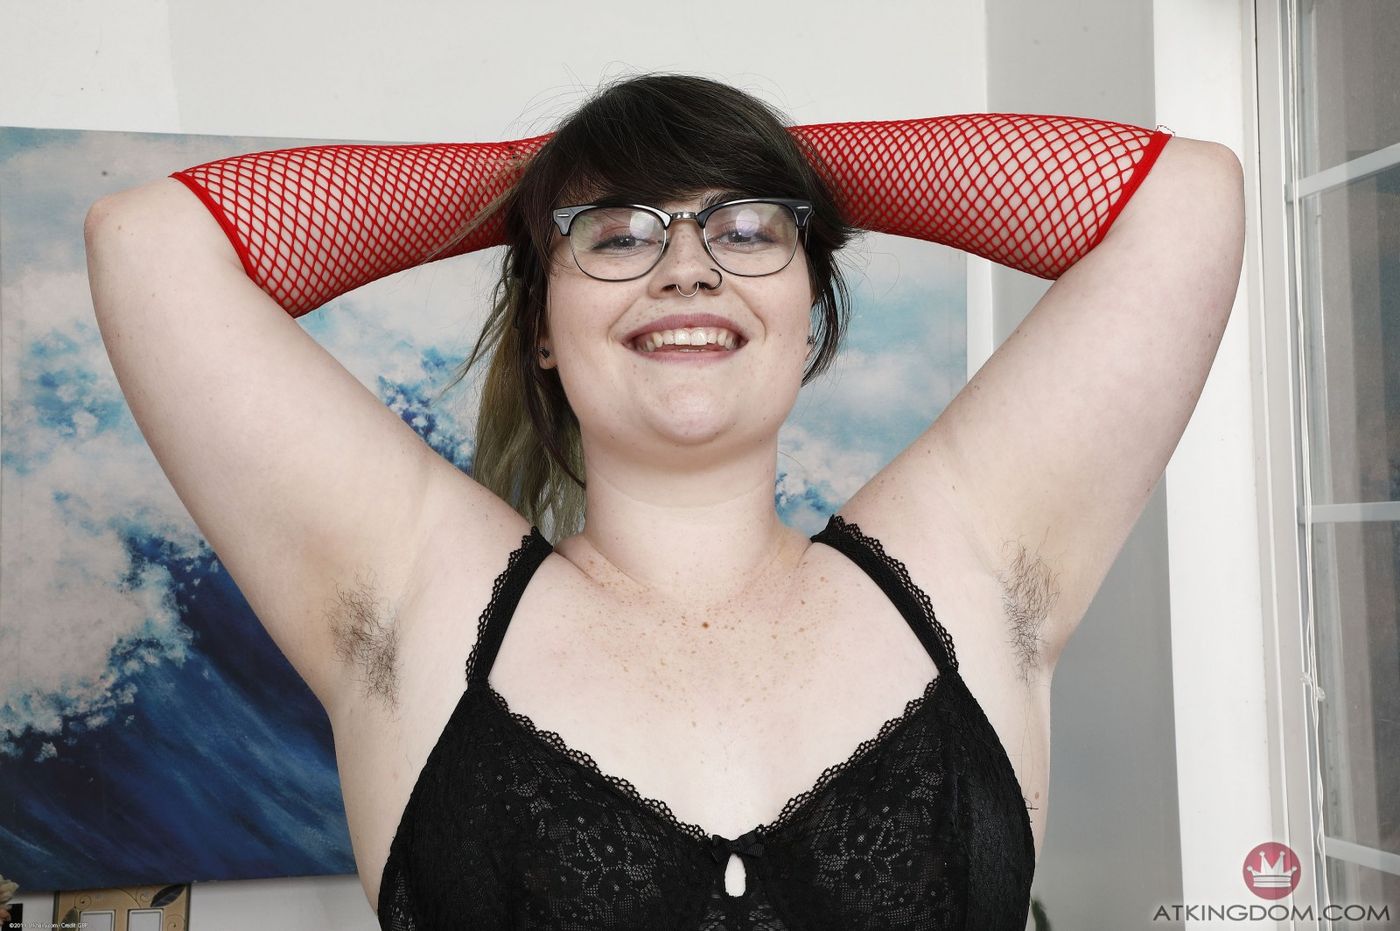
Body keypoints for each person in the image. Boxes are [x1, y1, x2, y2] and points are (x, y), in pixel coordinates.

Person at [84, 75, 1244, 929]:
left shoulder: (965, 562)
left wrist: (765, 166)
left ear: (808, 309)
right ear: (543, 326)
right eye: (617, 235)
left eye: (745, 230)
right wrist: (552, 171)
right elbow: (148, 244)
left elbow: (1183, 200)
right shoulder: (416, 594)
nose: (687, 266)